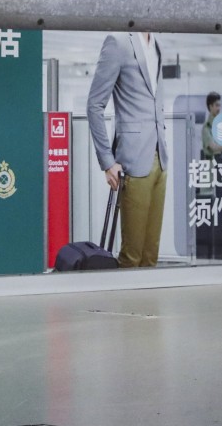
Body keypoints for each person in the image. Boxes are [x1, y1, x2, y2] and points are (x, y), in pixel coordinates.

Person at [87, 32, 167, 268]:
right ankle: (124, 306)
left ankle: (148, 306)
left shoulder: (158, 45)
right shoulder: (118, 42)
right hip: (133, 158)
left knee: (150, 255)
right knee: (131, 257)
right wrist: (107, 162)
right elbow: (94, 105)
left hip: (160, 156)